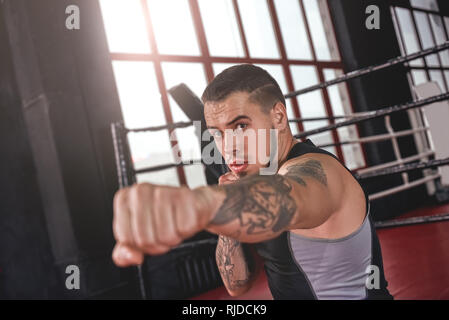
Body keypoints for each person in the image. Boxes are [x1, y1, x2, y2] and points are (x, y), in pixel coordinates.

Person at [112, 64, 393, 300]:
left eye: (241, 126)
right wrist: (227, 219)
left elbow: (288, 198)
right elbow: (237, 285)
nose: (229, 147)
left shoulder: (318, 170)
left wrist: (199, 204)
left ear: (278, 117)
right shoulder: (252, 171)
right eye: (218, 134)